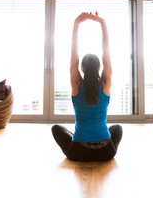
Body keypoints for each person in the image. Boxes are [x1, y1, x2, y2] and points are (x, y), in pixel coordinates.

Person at [51, 12, 123, 161]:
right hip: (106, 152)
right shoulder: (105, 85)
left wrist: (76, 24)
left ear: (81, 68)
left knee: (56, 128)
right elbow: (107, 57)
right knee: (117, 128)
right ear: (99, 68)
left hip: (78, 152)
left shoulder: (76, 85)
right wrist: (102, 23)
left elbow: (73, 62)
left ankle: (78, 138)